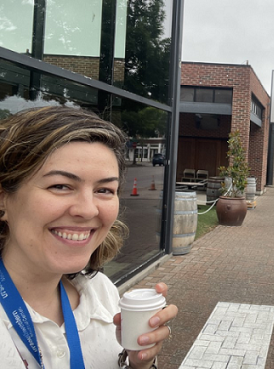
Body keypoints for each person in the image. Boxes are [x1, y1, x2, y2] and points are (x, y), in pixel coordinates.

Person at [0, 105, 178, 368]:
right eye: (61, 186)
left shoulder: (101, 292)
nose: (87, 210)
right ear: (3, 198)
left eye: (104, 190)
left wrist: (139, 363)